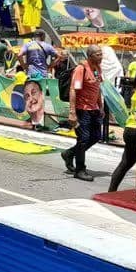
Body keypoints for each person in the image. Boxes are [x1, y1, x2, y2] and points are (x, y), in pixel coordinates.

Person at [61, 45, 104, 182]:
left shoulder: (97, 68)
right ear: (90, 56)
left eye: (101, 54)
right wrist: (72, 112)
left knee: (96, 136)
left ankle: (69, 153)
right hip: (82, 109)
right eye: (98, 54)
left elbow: (97, 88)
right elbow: (74, 89)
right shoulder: (81, 69)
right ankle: (80, 170)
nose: (101, 56)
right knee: (83, 139)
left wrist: (100, 106)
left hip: (94, 109)